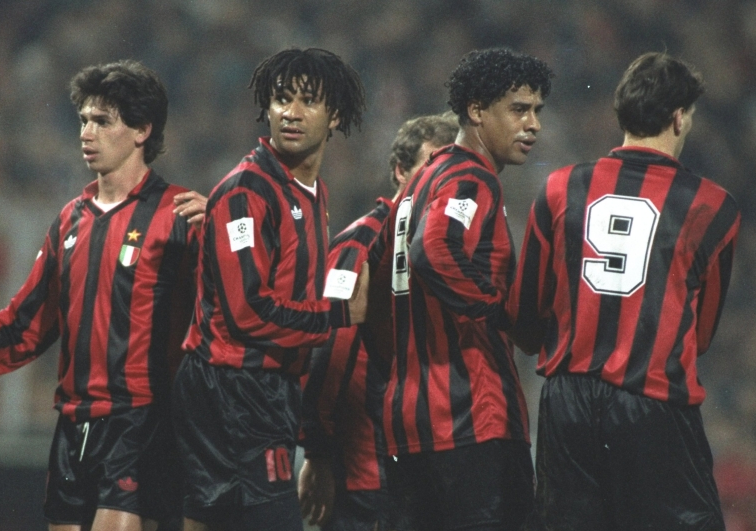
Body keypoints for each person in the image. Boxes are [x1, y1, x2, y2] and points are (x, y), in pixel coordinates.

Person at [0, 60, 200, 531]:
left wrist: (228, 231)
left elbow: (233, 305)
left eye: (103, 121)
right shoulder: (71, 220)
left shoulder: (180, 214)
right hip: (72, 422)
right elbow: (26, 322)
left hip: (140, 420)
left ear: (141, 130)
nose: (87, 132)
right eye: (84, 120)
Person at [508, 51, 741, 530]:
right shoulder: (714, 207)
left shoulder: (559, 187)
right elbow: (700, 337)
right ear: (678, 118)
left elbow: (525, 322)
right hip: (651, 401)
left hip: (565, 401)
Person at [171, 47, 369, 531]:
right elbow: (248, 312)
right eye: (281, 99)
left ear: (335, 115)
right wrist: (336, 316)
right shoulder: (248, 191)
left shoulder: (309, 192)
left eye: (307, 101)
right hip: (233, 386)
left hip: (262, 388)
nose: (291, 113)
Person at [366, 47, 553, 530]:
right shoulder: (471, 178)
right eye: (518, 110)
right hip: (471, 416)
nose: (533, 125)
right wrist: (498, 311)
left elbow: (377, 296)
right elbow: (435, 249)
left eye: (537, 111)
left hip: (407, 422)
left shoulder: (413, 187)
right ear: (475, 111)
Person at [298, 113, 460, 531]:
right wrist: (317, 453)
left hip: (430, 461)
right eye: (428, 167)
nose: (436, 181)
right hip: (366, 476)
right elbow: (331, 349)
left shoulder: (451, 246)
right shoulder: (362, 242)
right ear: (400, 171)